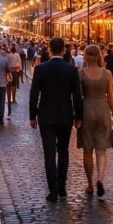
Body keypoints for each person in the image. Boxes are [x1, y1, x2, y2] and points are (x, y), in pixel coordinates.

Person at [29, 37, 84, 202]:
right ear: (64, 51)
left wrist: (32, 116)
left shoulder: (40, 69)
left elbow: (34, 95)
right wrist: (78, 117)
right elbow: (77, 96)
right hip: (65, 116)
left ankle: (52, 190)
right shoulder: (71, 70)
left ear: (50, 49)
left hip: (46, 116)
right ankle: (62, 188)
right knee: (64, 151)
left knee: (49, 153)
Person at [77, 45, 113, 197]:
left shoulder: (80, 73)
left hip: (87, 110)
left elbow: (77, 96)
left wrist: (77, 116)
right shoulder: (107, 74)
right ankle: (100, 178)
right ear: (100, 56)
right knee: (101, 150)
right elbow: (111, 97)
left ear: (86, 57)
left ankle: (90, 184)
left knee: (88, 150)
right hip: (103, 110)